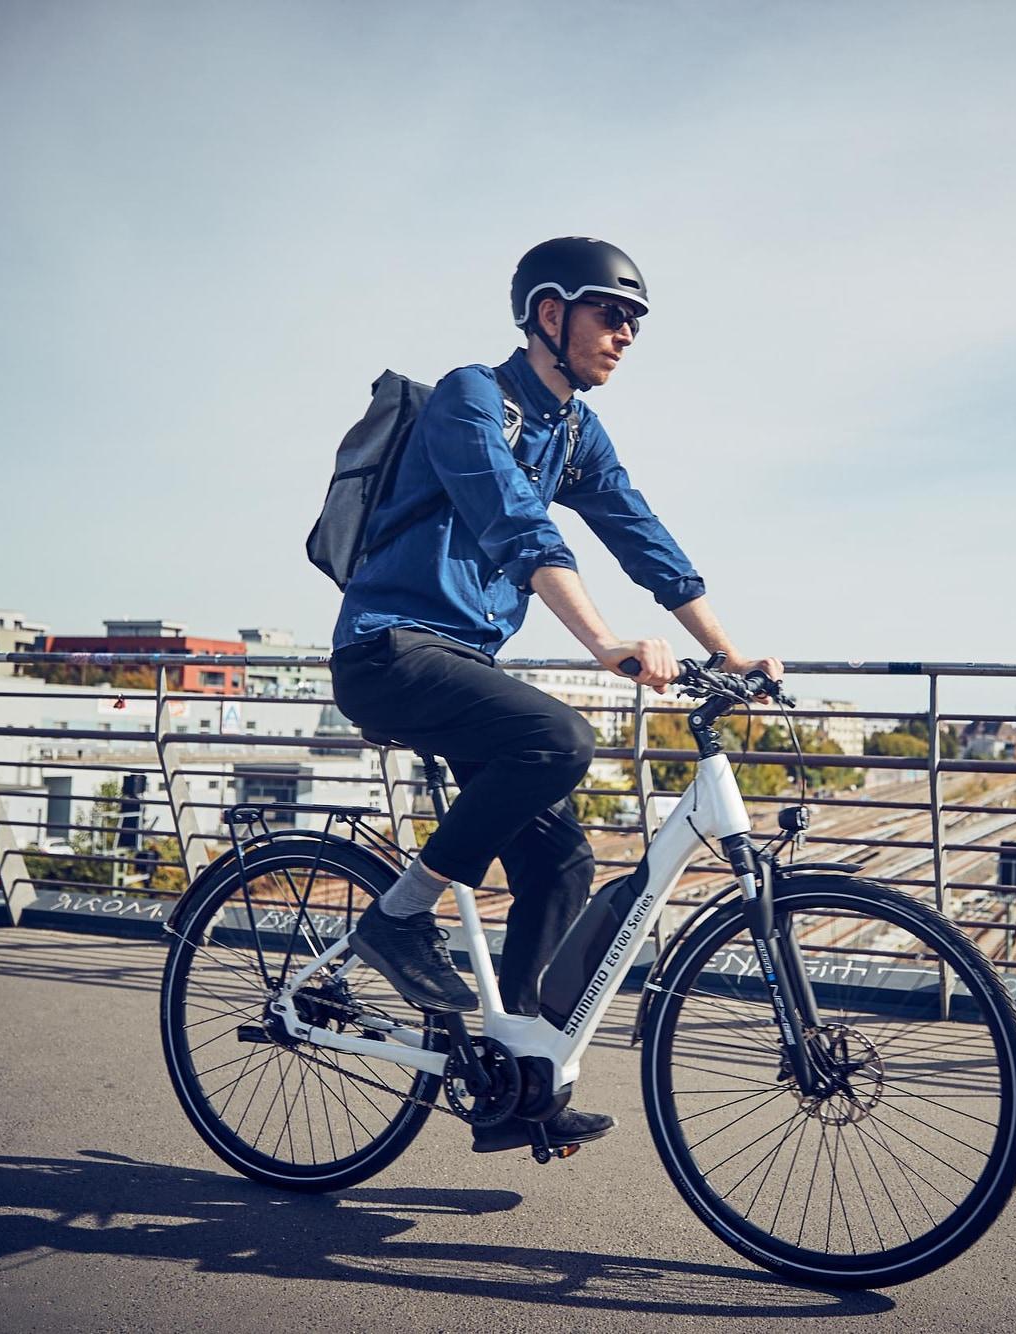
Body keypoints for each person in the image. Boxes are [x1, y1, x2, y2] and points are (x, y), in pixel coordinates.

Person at [329, 237, 781, 1154]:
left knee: (563, 862)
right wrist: (607, 644)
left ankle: (521, 1078)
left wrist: (731, 654)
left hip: (464, 664)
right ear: (548, 313)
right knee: (560, 740)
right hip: (388, 649)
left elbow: (638, 531)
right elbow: (517, 525)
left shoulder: (576, 431)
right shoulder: (472, 398)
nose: (626, 334)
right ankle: (396, 919)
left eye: (636, 321)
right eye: (611, 313)